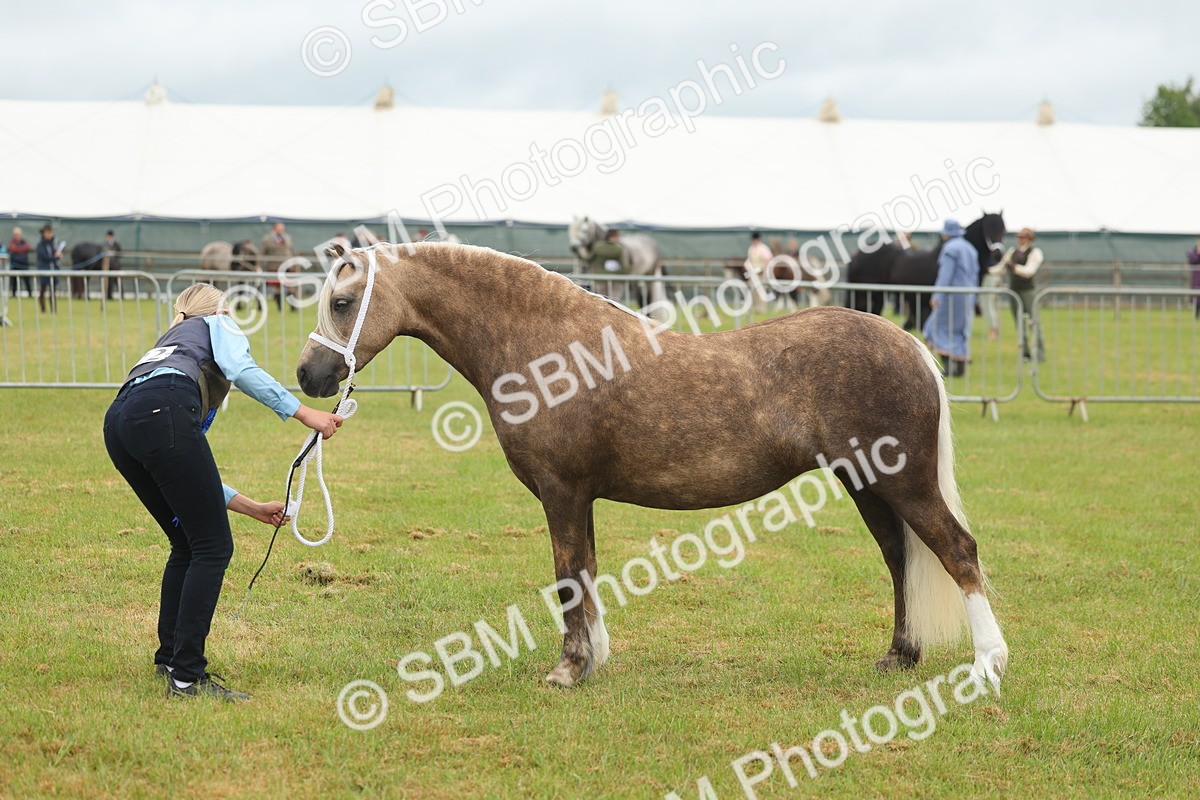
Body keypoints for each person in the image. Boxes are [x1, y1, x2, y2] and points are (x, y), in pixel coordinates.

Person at [103, 284, 344, 702]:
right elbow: (243, 370)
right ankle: (187, 677)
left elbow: (190, 467)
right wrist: (306, 414)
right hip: (163, 414)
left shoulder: (169, 344)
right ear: (222, 310)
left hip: (119, 423)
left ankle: (170, 660)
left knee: (188, 543)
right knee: (212, 549)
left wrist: (250, 507)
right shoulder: (217, 324)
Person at [923, 219, 979, 376]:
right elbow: (975, 274)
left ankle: (948, 368)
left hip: (950, 297)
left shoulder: (949, 248)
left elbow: (945, 275)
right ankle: (960, 368)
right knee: (960, 331)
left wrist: (937, 295)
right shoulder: (970, 248)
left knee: (935, 328)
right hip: (967, 296)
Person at [990, 227, 1046, 361]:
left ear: (1030, 238)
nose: (1020, 239)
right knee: (1019, 323)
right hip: (1014, 291)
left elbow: (1029, 271)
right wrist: (987, 269)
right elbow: (1000, 269)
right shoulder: (1012, 252)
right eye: (1019, 236)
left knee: (1034, 321)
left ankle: (1040, 353)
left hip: (1027, 291)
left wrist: (1013, 267)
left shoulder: (1035, 252)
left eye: (1023, 237)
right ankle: (1025, 353)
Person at [260, 221, 295, 310]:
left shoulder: (287, 237)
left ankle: (293, 307)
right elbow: (262, 253)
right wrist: (259, 265)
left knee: (290, 286)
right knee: (277, 287)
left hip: (288, 266)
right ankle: (280, 308)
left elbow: (291, 250)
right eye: (280, 228)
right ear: (275, 228)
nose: (282, 230)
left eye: (283, 228)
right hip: (275, 266)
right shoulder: (267, 239)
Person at [35, 224, 62, 313]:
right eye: (48, 233)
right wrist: (56, 257)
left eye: (51, 232)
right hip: (44, 269)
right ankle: (43, 310)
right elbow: (45, 257)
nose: (50, 234)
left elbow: (53, 254)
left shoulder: (53, 243)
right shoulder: (40, 244)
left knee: (53, 291)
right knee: (43, 290)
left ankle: (54, 310)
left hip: (53, 270)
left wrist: (57, 256)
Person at [746, 232, 773, 312]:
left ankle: (762, 309)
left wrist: (762, 269)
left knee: (761, 291)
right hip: (753, 273)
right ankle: (754, 308)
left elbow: (768, 260)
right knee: (752, 290)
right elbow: (750, 260)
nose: (754, 241)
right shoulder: (751, 248)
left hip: (762, 272)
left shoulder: (764, 248)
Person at [8, 227, 33, 297]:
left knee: (27, 281)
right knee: (14, 281)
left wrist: (18, 249)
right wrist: (22, 249)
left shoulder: (24, 241)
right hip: (15, 265)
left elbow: (28, 247)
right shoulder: (12, 242)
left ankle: (30, 294)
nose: (18, 236)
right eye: (16, 234)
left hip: (24, 265)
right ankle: (13, 294)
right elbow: (13, 248)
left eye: (19, 234)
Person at [103, 229, 123, 300]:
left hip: (116, 265)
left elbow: (120, 254)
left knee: (118, 281)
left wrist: (114, 254)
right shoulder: (105, 245)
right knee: (109, 281)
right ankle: (109, 296)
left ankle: (121, 296)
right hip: (108, 266)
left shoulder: (116, 245)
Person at [1187, 237, 1200, 318]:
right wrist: (1198, 253)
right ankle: (1196, 315)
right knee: (1197, 298)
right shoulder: (1193, 253)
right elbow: (1192, 261)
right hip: (1197, 278)